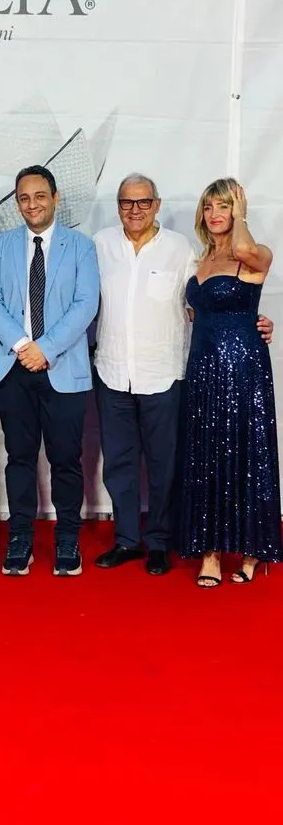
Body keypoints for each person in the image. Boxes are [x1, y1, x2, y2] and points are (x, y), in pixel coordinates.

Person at [93, 174, 275, 577]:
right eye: (126, 202)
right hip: (113, 370)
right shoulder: (100, 245)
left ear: (157, 205)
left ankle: (159, 542)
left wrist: (254, 322)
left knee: (165, 465)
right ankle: (127, 540)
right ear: (118, 206)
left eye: (144, 202)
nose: (135, 210)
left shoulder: (181, 250)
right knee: (118, 464)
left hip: (165, 373)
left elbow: (215, 297)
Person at [0, 165, 99, 577]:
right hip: (14, 366)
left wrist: (45, 349)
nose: (32, 204)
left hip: (62, 366)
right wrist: (21, 345)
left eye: (40, 196)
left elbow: (86, 304)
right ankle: (21, 538)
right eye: (24, 198)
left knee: (66, 459)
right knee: (20, 458)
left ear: (55, 198)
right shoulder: (2, 245)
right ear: (17, 202)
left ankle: (67, 539)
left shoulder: (80, 246)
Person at [177, 178, 281, 587]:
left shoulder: (256, 253)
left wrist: (241, 217)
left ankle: (253, 550)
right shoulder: (201, 258)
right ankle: (210, 553)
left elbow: (244, 250)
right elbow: (197, 311)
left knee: (246, 452)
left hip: (243, 370)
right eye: (209, 207)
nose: (215, 214)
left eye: (224, 206)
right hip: (203, 369)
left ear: (238, 210)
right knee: (207, 453)